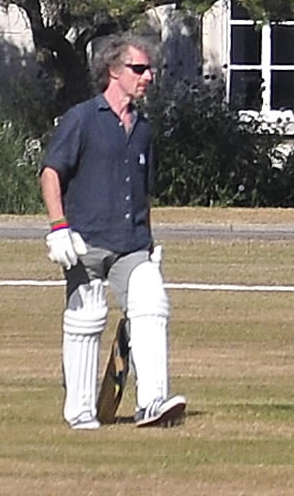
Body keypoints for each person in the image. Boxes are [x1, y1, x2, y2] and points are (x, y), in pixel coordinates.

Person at [41, 33, 187, 430]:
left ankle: (152, 403)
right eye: (139, 69)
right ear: (113, 71)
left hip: (132, 244)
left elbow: (142, 190)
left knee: (152, 306)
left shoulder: (143, 129)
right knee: (86, 321)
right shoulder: (82, 119)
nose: (148, 77)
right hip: (84, 241)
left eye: (150, 70)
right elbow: (51, 173)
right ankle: (80, 411)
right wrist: (58, 227)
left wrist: (149, 244)